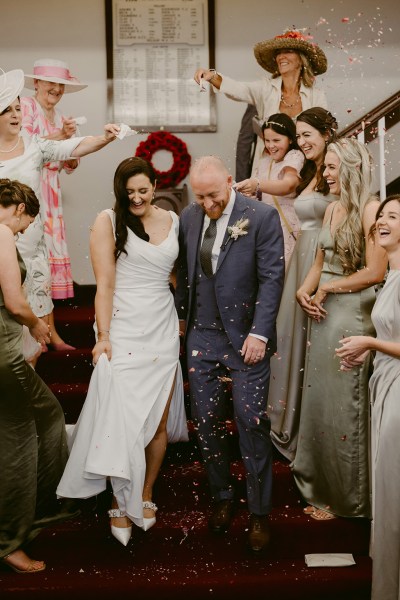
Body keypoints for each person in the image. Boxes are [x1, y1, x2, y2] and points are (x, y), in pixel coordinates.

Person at [57, 157, 188, 546]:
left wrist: (182, 319)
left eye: (143, 190)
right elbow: (104, 285)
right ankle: (117, 497)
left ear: (155, 186)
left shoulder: (172, 219)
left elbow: (176, 276)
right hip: (125, 324)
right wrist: (104, 335)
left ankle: (145, 491)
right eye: (128, 192)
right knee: (123, 419)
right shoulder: (108, 221)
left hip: (162, 325)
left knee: (158, 422)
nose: (136, 198)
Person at [175, 155, 285, 552]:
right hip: (201, 338)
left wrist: (259, 332)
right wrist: (181, 324)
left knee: (250, 422)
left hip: (246, 341)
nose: (207, 204)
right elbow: (185, 277)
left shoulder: (260, 217)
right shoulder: (188, 217)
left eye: (214, 195)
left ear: (230, 181)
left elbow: (273, 278)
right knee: (205, 423)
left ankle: (259, 512)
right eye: (200, 197)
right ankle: (222, 498)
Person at [292, 138, 387, 520]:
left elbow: (374, 272)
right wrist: (305, 288)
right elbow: (320, 259)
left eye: (331, 167)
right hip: (323, 313)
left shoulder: (371, 211)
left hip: (352, 313)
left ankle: (352, 498)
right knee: (323, 405)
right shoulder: (332, 210)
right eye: (325, 167)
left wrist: (328, 287)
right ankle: (323, 486)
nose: (325, 174)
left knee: (347, 405)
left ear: (350, 168)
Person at [0, 68, 120, 361]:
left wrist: (104, 139)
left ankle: (30, 382)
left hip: (30, 246)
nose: (16, 115)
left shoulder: (34, 145)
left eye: (18, 108)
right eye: (8, 110)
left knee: (32, 341)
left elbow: (72, 146)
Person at [0, 178, 76, 574]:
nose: (25, 229)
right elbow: (14, 300)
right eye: (26, 221)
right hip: (4, 351)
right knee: (21, 440)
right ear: (17, 209)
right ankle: (12, 538)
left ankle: (41, 507)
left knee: (39, 420)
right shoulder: (0, 232)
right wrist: (37, 326)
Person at [335, 194, 400, 600]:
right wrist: (367, 348)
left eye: (393, 216)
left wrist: (369, 343)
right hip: (387, 384)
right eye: (381, 216)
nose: (382, 221)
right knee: (389, 489)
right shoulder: (392, 276)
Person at [267, 107, 338, 461]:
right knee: (290, 335)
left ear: (327, 132)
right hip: (302, 259)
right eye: (300, 135)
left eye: (308, 134)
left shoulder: (341, 168)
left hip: (326, 260)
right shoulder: (311, 170)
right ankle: (289, 417)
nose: (302, 142)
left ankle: (314, 431)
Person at [194, 29, 327, 176]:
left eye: (288, 51)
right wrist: (212, 76)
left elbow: (322, 135)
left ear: (301, 59)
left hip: (305, 170)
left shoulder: (316, 96)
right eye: (278, 52)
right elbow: (239, 89)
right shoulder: (265, 89)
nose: (281, 56)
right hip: (268, 170)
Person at [21, 58, 88, 349]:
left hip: (51, 194)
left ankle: (51, 334)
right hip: (28, 192)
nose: (56, 89)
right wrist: (61, 137)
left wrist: (71, 148)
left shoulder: (60, 116)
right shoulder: (25, 107)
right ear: (36, 83)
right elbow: (23, 146)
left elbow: (68, 163)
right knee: (33, 259)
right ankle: (37, 335)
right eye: (50, 83)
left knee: (46, 263)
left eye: (61, 85)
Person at [235, 112, 304, 266]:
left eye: (276, 140)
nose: (271, 145)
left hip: (287, 226)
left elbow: (288, 185)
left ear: (291, 139)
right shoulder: (264, 162)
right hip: (266, 226)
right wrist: (250, 193)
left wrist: (257, 183)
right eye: (267, 140)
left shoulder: (294, 156)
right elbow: (259, 195)